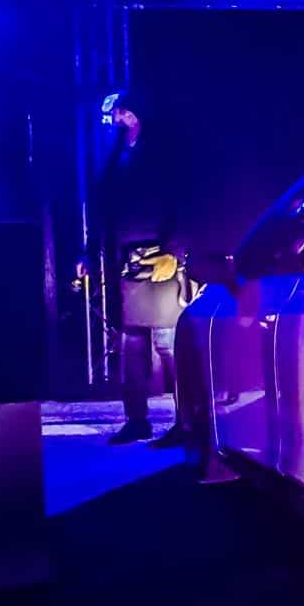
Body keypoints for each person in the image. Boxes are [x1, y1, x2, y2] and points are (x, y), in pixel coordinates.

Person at [89, 91, 191, 446]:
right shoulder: (117, 154)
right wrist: (90, 252)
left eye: (121, 112)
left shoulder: (164, 150)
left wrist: (175, 251)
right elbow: (105, 204)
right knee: (130, 343)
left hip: (159, 255)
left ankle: (186, 421)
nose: (117, 119)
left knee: (167, 342)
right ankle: (136, 419)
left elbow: (183, 198)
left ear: (134, 113)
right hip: (126, 257)